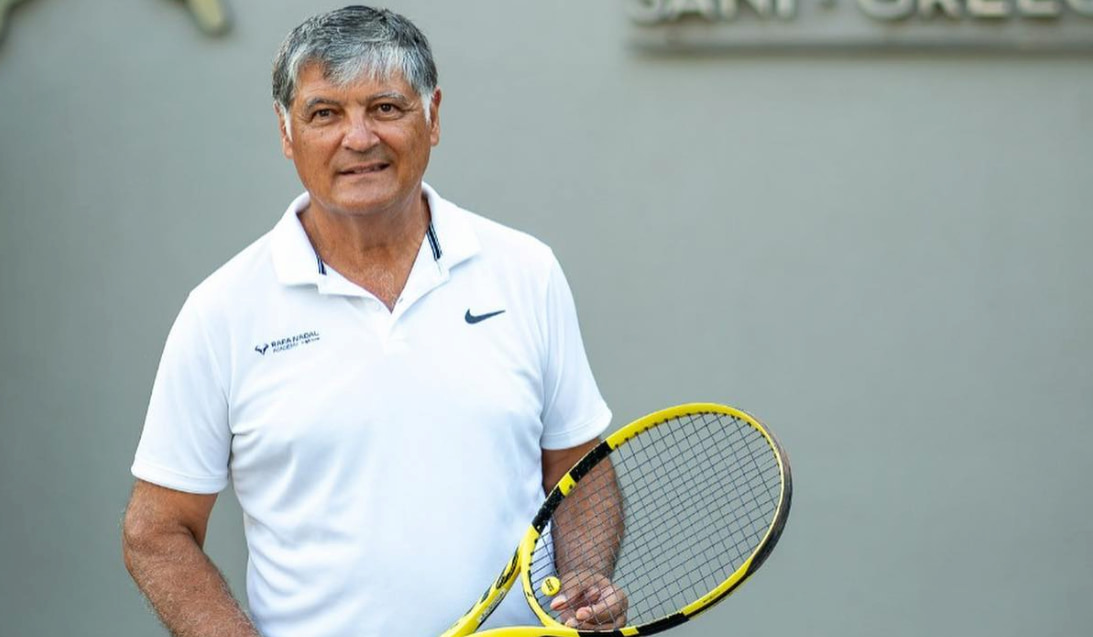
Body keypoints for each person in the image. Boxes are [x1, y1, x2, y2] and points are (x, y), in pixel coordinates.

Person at [122, 6, 625, 637]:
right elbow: (157, 530)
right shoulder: (222, 310)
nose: (358, 138)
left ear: (433, 116)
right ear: (286, 131)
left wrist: (582, 578)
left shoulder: (526, 271)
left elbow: (581, 468)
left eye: (385, 107)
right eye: (325, 113)